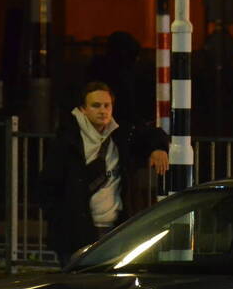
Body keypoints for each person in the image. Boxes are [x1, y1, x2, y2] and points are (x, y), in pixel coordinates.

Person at [37, 82, 169, 266]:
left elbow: (150, 134)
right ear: (83, 109)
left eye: (107, 106)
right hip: (76, 233)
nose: (103, 111)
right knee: (80, 285)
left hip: (115, 230)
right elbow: (48, 185)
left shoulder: (119, 135)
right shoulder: (67, 142)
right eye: (96, 105)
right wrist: (62, 218)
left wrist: (158, 149)